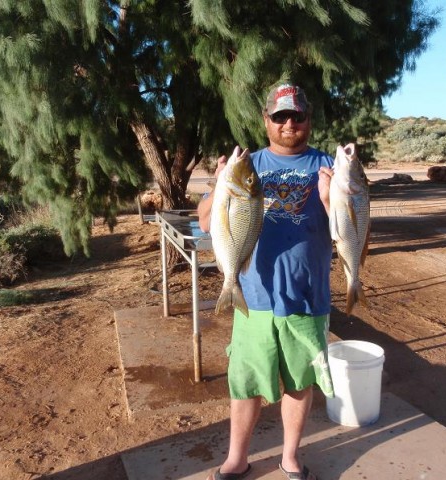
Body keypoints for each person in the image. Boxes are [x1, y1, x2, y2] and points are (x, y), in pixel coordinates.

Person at [198, 83, 334, 480]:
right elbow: (207, 223)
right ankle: (237, 458)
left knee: (299, 382)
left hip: (307, 296)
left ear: (309, 120)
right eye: (280, 116)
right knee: (246, 383)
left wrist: (330, 199)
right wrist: (218, 183)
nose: (289, 123)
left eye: (297, 116)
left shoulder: (329, 166)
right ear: (266, 121)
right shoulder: (248, 164)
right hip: (252, 296)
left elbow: (357, 232)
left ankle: (290, 456)